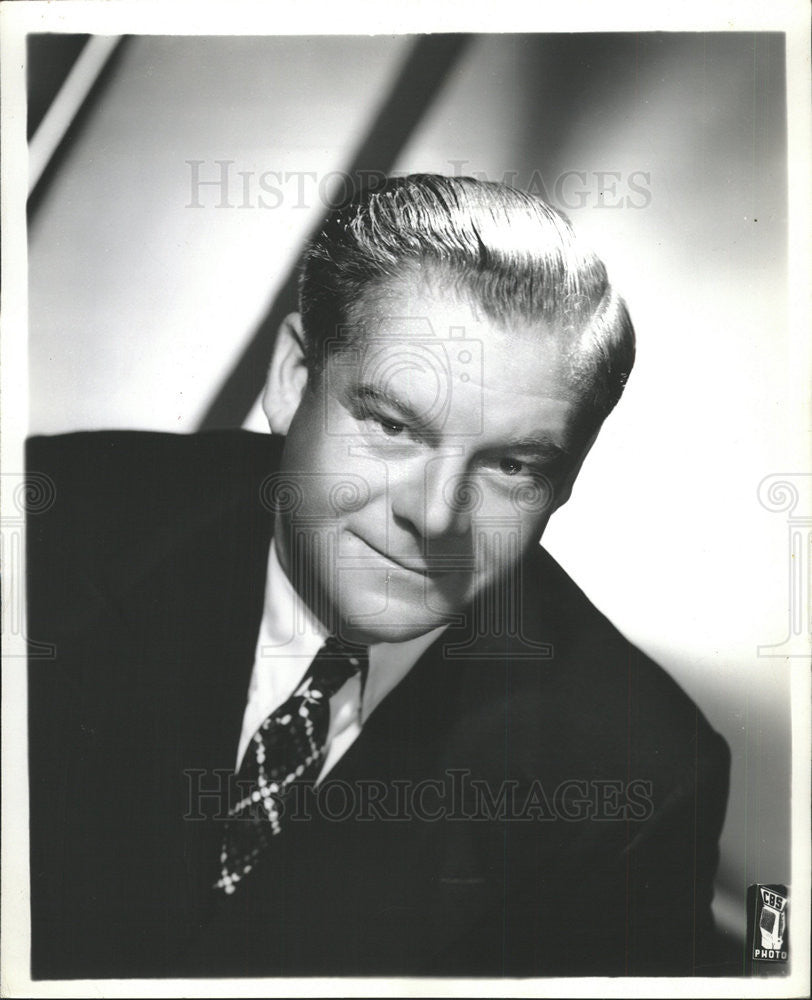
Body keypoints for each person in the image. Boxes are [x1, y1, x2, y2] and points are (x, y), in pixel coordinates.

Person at [27, 174, 731, 979]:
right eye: (394, 425)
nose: (436, 516)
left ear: (565, 483)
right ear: (293, 380)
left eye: (511, 465)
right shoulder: (51, 523)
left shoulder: (643, 778)